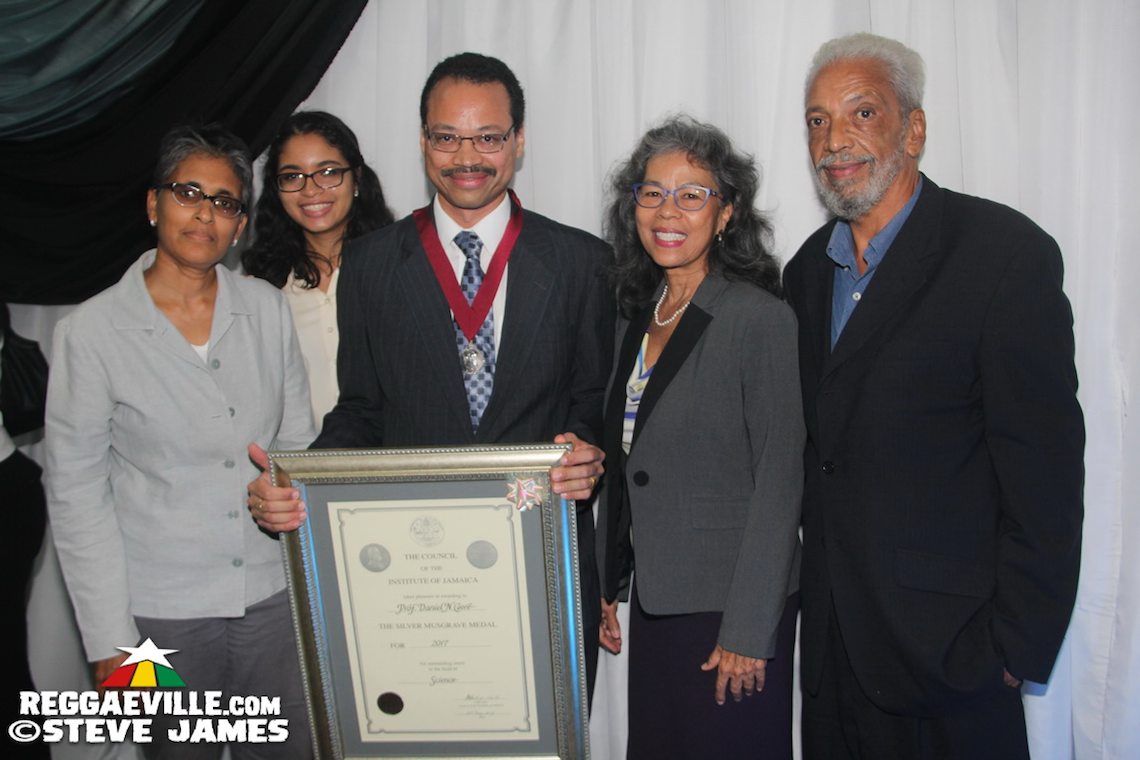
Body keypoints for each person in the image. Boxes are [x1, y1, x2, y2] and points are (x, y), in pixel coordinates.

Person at [245, 52, 614, 695]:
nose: (466, 156)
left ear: (519, 142)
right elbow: (360, 409)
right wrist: (299, 481)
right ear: (423, 143)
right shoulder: (370, 264)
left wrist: (584, 448)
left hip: (542, 560)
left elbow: (592, 399)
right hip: (417, 576)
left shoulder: (584, 261)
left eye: (488, 137)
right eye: (446, 137)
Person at [782, 32, 1085, 759]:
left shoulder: (1003, 257)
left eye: (861, 113)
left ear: (913, 128)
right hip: (832, 661)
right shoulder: (804, 275)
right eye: (817, 120)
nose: (834, 140)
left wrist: (1012, 648)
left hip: (953, 662)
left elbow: (1045, 478)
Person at [45, 124, 315, 758]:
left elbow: (299, 446)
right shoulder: (91, 332)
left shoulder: (267, 311)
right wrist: (110, 647)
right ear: (153, 204)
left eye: (225, 202)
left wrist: (285, 485)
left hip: (271, 599)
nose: (205, 213)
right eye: (188, 192)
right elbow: (77, 496)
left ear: (241, 224)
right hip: (155, 616)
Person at [595, 115, 804, 758]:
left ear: (726, 213)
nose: (668, 210)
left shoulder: (758, 318)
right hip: (659, 603)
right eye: (652, 192)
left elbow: (780, 478)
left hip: (730, 609)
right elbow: (633, 462)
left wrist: (748, 630)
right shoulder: (637, 316)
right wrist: (610, 580)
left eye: (692, 195)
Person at [242, 110, 395, 429]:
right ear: (277, 190)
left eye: (327, 172)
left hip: (392, 466)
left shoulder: (397, 270)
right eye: (292, 176)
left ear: (356, 179)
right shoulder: (260, 290)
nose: (310, 190)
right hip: (298, 470)